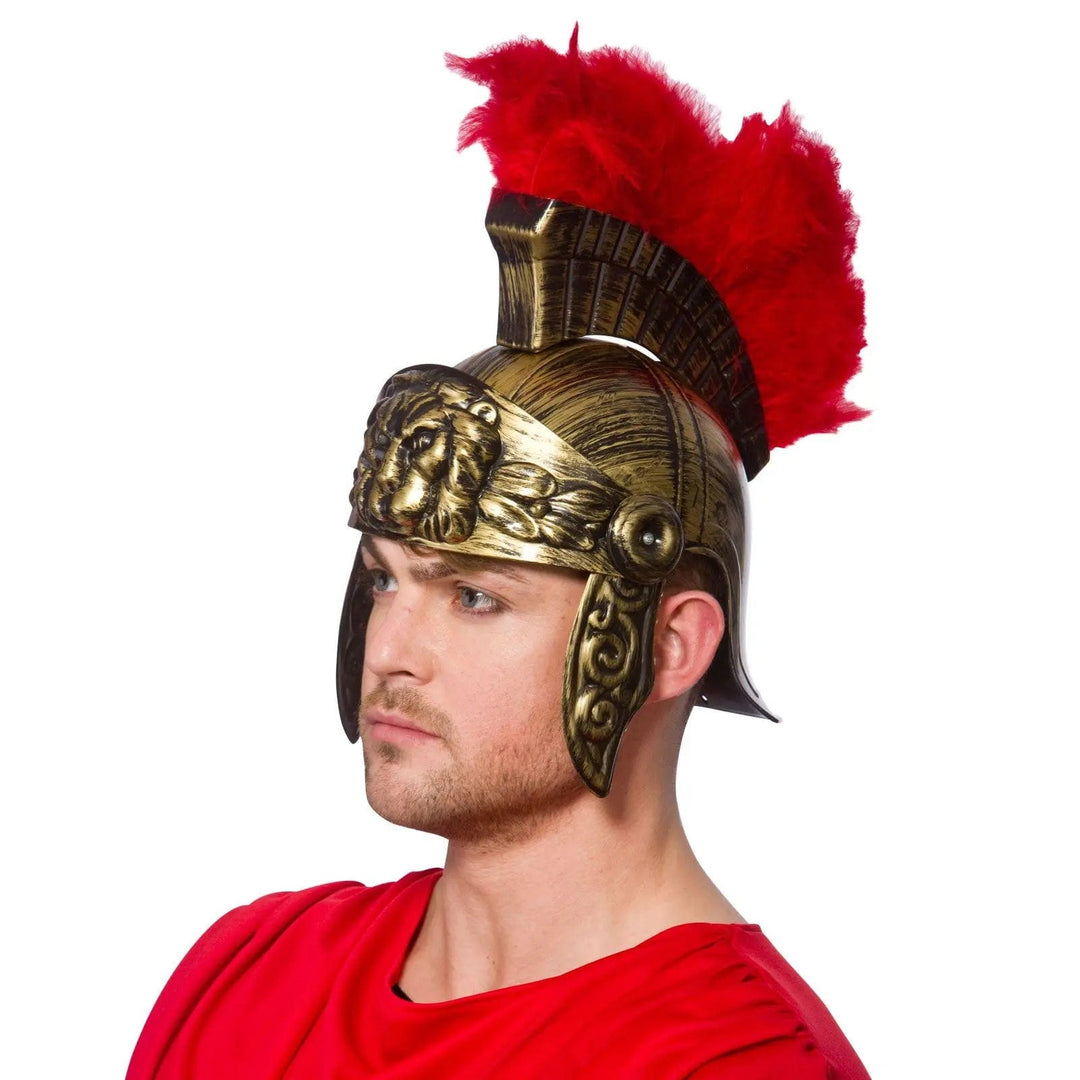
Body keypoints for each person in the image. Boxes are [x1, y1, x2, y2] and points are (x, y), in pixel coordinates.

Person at [128, 31, 871, 1079]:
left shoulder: (738, 1061)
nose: (393, 645)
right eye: (387, 576)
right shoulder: (249, 976)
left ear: (668, 647)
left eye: (475, 596)